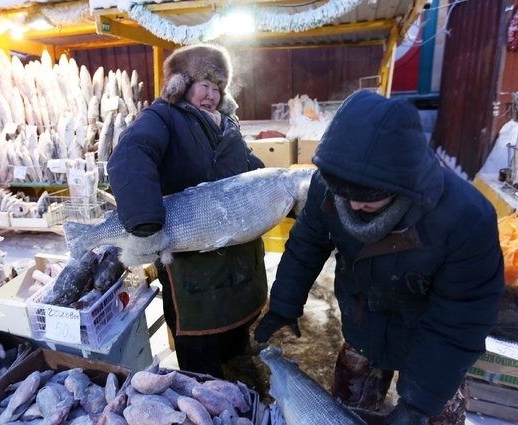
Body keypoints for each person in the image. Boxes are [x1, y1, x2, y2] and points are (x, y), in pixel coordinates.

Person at [254, 91, 504, 424]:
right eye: (346, 195)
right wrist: (285, 302)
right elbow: (307, 244)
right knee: (349, 413)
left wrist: (419, 403)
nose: (354, 206)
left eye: (367, 198)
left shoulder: (466, 217)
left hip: (429, 336)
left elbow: (461, 316)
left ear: (403, 184)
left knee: (433, 414)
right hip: (364, 324)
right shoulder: (328, 185)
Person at [108, 44, 267, 378]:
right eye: (204, 84)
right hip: (193, 268)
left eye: (218, 87)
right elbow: (131, 154)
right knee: (203, 363)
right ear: (181, 83)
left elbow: (250, 169)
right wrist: (145, 221)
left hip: (238, 261)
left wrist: (279, 195)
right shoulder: (162, 117)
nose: (211, 94)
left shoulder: (228, 124)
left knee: (239, 349)